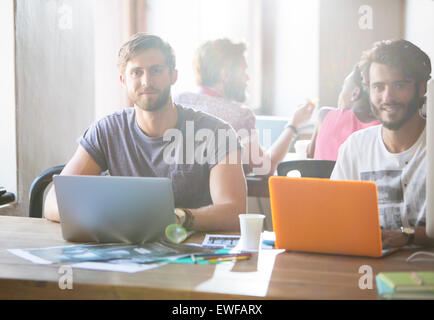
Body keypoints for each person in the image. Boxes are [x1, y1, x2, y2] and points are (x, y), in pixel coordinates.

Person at [44, 33, 247, 232]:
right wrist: (108, 217)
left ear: (173, 76)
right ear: (123, 80)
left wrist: (175, 218)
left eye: (156, 70)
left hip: (192, 255)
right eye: (136, 72)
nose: (146, 81)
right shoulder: (107, 130)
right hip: (123, 253)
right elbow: (53, 203)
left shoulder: (216, 133)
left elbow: (234, 213)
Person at [331, 39, 434, 248]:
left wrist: (407, 236)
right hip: (370, 264)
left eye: (400, 85)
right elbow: (335, 217)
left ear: (422, 87)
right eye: (379, 87)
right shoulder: (355, 147)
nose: (388, 97)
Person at [175, 38, 314, 175]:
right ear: (226, 74)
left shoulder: (180, 101)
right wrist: (294, 125)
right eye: (243, 71)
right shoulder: (239, 116)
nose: (247, 78)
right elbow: (265, 167)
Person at [307, 64, 380, 160]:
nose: (340, 94)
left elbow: (309, 156)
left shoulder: (324, 115)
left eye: (343, 87)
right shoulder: (382, 127)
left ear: (355, 94)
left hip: (322, 175)